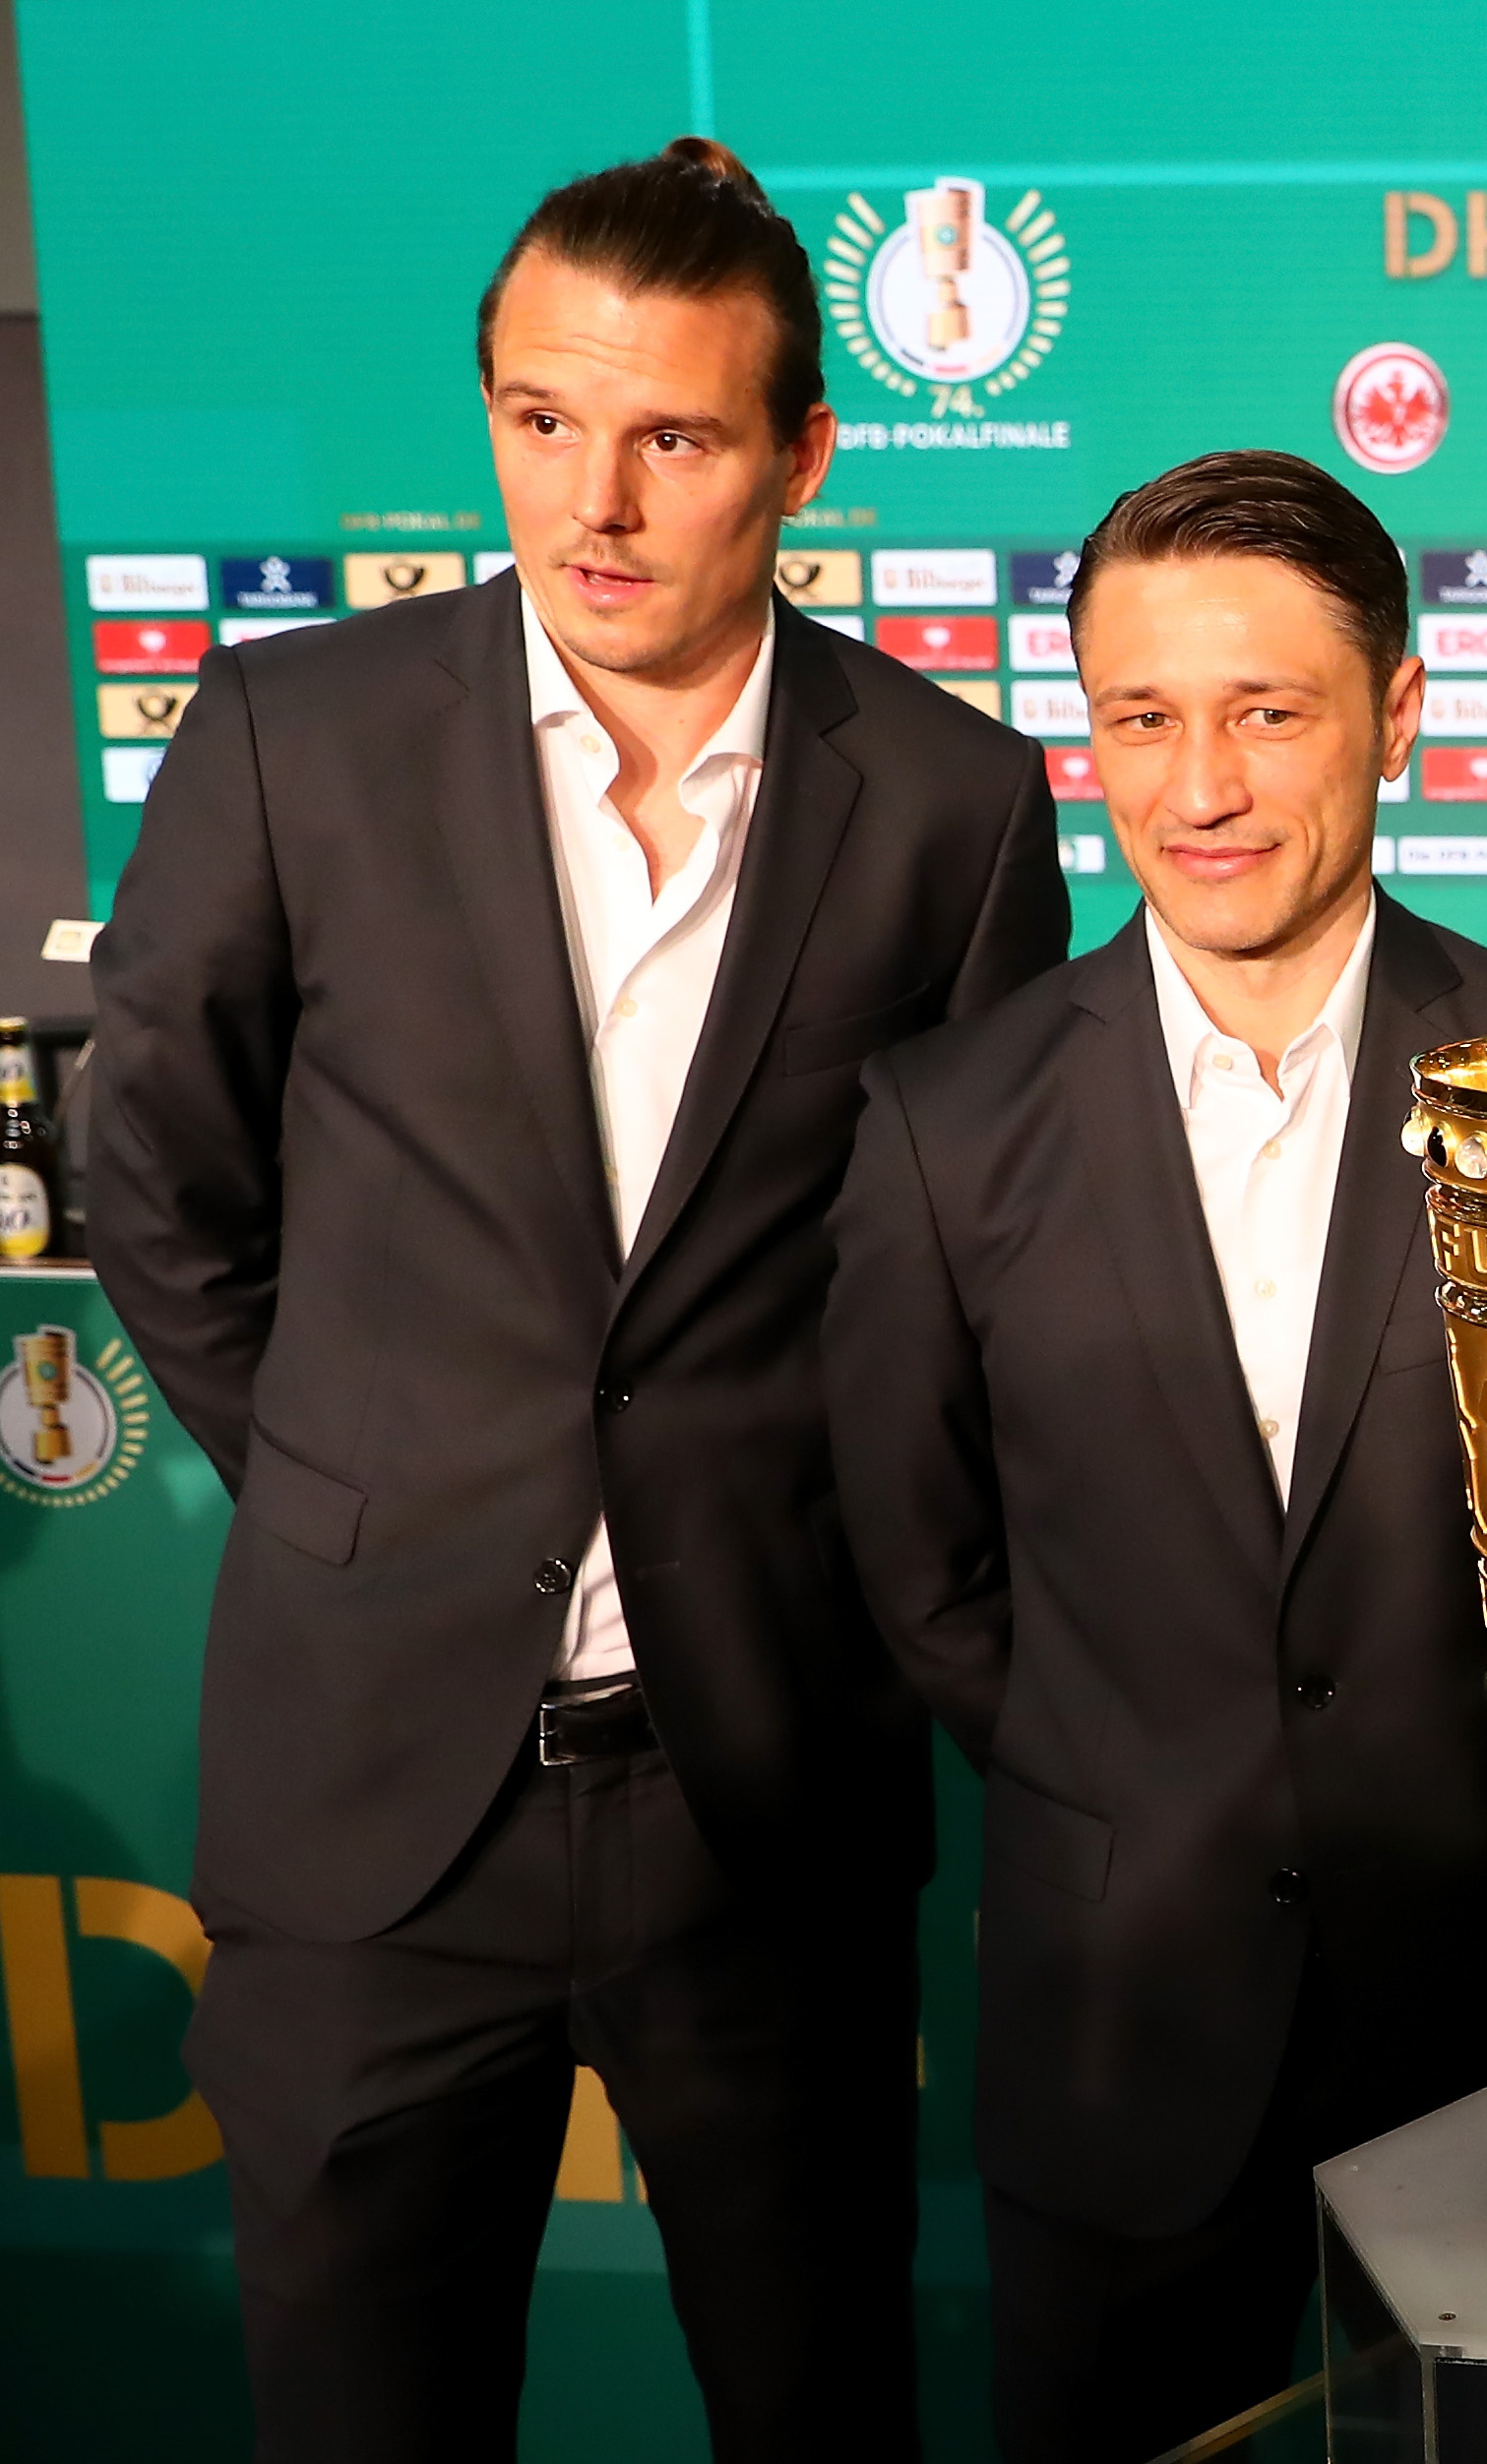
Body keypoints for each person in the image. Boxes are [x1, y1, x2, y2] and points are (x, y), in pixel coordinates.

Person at [84, 140, 1067, 2459]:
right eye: (541, 419)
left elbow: (964, 1301)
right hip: (368, 1795)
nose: (593, 503)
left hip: (759, 1792)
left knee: (817, 2407)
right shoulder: (288, 733)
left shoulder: (947, 802)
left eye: (675, 437)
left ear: (804, 456)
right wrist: (363, 1490)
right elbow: (161, 1180)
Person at [823, 451, 1487, 2464]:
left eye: (1268, 713)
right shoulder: (948, 1120)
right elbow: (923, 1563)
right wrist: (1132, 1776)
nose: (1201, 788)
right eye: (1143, 718)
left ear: (1401, 715)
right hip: (1121, 2042)